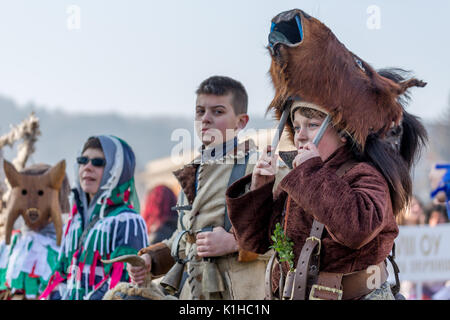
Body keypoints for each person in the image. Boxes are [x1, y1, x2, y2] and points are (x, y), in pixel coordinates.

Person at [226, 9, 427, 300]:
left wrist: (309, 173)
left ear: (343, 131)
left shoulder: (366, 174)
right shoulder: (300, 178)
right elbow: (253, 241)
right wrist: (259, 188)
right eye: (297, 126)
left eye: (313, 124)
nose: (302, 133)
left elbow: (356, 229)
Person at [127, 75, 288, 300]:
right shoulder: (192, 172)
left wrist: (235, 243)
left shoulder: (262, 168)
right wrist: (150, 260)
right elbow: (185, 240)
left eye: (218, 112)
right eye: (200, 111)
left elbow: (290, 238)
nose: (206, 119)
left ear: (241, 122)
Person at [40, 135, 149, 300]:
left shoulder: (127, 221)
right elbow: (62, 272)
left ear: (118, 169)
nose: (87, 167)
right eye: (83, 160)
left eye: (98, 163)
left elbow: (121, 286)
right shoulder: (74, 221)